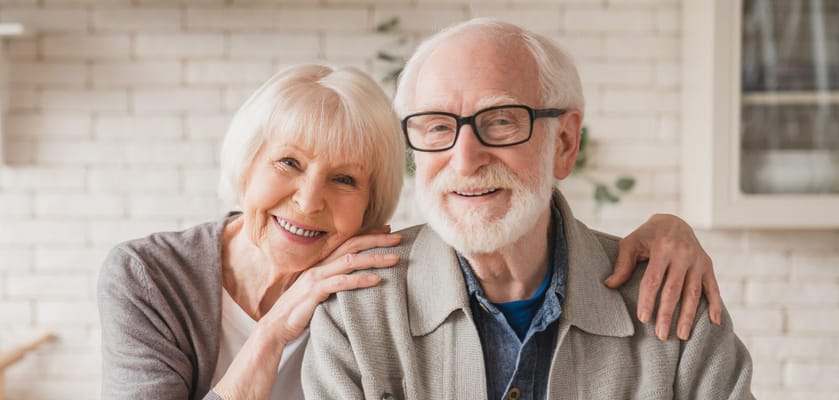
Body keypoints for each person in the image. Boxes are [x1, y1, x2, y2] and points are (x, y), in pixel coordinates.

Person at [99, 64, 726, 400]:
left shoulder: (368, 274)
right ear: (246, 163)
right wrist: (276, 330)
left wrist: (671, 228)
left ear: (374, 205)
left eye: (345, 180)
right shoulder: (150, 277)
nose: (309, 200)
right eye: (287, 163)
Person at [302, 18, 753, 400]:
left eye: (500, 121)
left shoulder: (674, 306)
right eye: (438, 126)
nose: (465, 160)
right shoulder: (355, 311)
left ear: (565, 142)